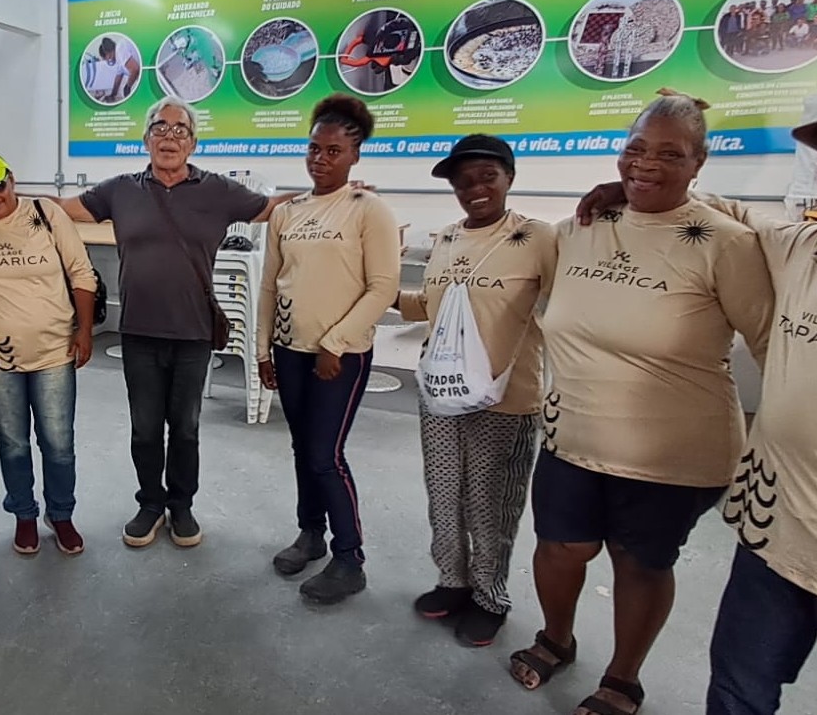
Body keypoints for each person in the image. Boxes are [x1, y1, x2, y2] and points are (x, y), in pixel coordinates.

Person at [579, 63, 817, 713]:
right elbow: (715, 211)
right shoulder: (808, 247)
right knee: (736, 692)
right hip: (773, 536)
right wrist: (631, 184)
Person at [505, 90, 774, 715]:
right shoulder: (582, 228)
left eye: (669, 154)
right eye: (635, 149)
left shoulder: (725, 243)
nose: (645, 164)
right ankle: (556, 638)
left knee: (640, 560)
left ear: (699, 162)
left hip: (672, 451)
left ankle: (624, 676)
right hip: (572, 434)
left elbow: (771, 346)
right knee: (558, 548)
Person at [51, 96, 297, 548]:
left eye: (179, 129)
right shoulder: (120, 189)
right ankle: (149, 504)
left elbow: (271, 208)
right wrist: (2, 199)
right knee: (145, 428)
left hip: (194, 332)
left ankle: (181, 506)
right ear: (145, 139)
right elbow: (61, 209)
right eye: (160, 128)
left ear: (193, 141)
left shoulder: (218, 190)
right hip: (140, 332)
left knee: (184, 427)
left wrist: (331, 194)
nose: (169, 137)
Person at [396, 134, 557, 646]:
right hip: (442, 395)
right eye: (463, 181)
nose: (475, 188)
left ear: (510, 176)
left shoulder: (539, 239)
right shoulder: (446, 238)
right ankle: (453, 581)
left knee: (491, 504)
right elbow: (432, 304)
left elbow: (572, 301)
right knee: (445, 496)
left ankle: (490, 597)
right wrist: (377, 288)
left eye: (487, 176)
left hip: (506, 398)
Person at [256, 95, 400, 605]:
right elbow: (271, 284)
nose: (320, 159)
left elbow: (382, 288)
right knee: (303, 450)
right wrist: (263, 349)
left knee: (325, 455)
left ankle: (349, 558)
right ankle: (310, 534)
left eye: (333, 151)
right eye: (313, 148)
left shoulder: (369, 210)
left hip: (340, 356)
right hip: (289, 349)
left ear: (355, 154)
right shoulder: (288, 212)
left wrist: (335, 343)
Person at [0, 152, 97, 556]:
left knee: (57, 442)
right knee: (13, 441)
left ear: (12, 179)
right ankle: (23, 513)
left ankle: (60, 513)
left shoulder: (45, 213)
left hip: (54, 350)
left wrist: (85, 330)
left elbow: (81, 272)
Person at [99, 37, 142, 103]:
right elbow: (118, 78)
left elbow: (134, 69)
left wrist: (127, 87)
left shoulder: (120, 49)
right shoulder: (118, 58)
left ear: (108, 55)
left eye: (106, 59)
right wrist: (113, 94)